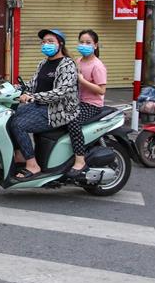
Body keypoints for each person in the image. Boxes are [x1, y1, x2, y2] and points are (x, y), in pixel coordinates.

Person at [8, 29, 79, 179]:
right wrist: (16, 89)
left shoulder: (67, 64)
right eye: (44, 42)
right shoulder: (43, 63)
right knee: (9, 117)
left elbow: (61, 91)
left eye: (50, 41)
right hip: (41, 106)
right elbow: (32, 84)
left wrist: (32, 97)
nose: (46, 44)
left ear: (60, 44)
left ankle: (33, 166)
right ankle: (20, 155)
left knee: (18, 125)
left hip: (59, 110)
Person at [65, 29, 108, 177]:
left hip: (92, 105)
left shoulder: (97, 65)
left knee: (73, 120)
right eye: (81, 42)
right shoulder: (78, 61)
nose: (84, 45)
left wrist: (82, 81)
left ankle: (80, 160)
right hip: (77, 101)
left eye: (88, 43)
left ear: (95, 45)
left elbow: (101, 90)